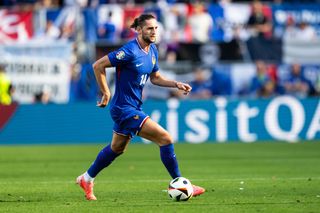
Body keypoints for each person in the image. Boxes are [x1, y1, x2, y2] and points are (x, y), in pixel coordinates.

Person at [76, 14, 205, 201]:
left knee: (116, 149)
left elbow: (155, 78)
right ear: (139, 30)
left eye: (155, 28)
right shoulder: (129, 50)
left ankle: (86, 178)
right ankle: (181, 182)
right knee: (165, 138)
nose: (153, 32)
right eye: (149, 28)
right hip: (124, 109)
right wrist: (106, 92)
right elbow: (98, 66)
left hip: (133, 106)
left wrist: (176, 84)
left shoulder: (152, 51)